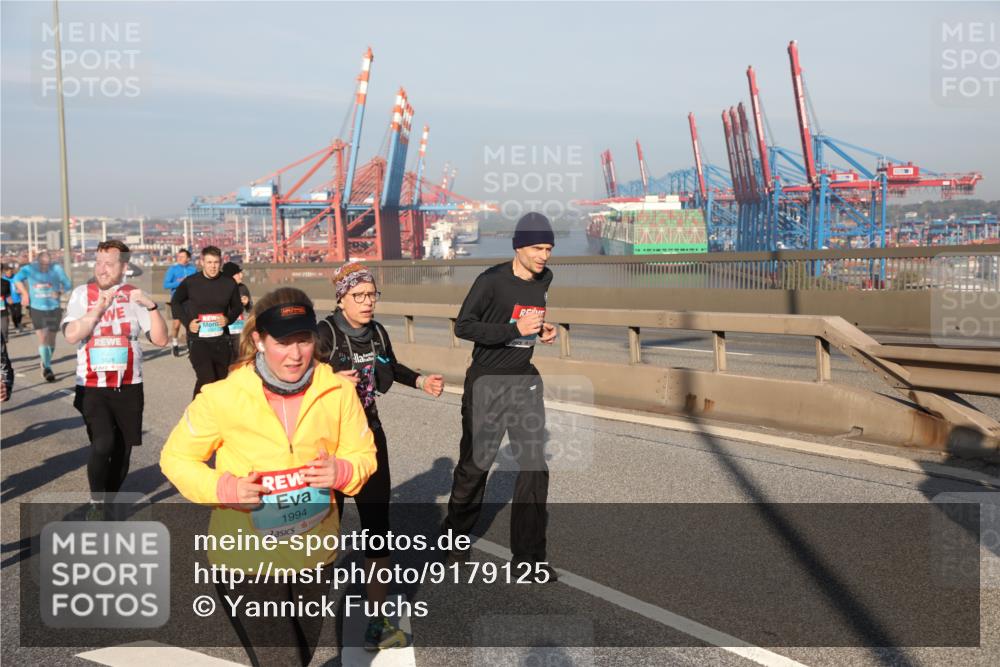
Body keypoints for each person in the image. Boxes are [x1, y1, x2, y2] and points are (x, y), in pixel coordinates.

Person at [160, 287, 377, 667]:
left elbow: (363, 454)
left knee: (303, 656)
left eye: (304, 340)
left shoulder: (338, 392)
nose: (295, 355)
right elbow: (176, 458)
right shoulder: (221, 397)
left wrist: (341, 470)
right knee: (284, 663)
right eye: (282, 342)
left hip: (315, 551)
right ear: (259, 340)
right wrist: (223, 487)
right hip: (245, 557)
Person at [317, 263, 445, 651]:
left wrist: (420, 380)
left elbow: (390, 365)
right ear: (341, 297)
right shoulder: (322, 334)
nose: (368, 302)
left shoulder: (377, 333)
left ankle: (380, 620)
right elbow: (294, 377)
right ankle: (301, 612)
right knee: (322, 534)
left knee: (377, 532)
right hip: (327, 446)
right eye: (360, 296)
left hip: (369, 439)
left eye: (372, 295)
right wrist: (330, 380)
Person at [441, 212, 559, 581]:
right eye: (538, 248)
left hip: (524, 381)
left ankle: (528, 559)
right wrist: (512, 328)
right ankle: (454, 536)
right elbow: (465, 326)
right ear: (519, 246)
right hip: (488, 382)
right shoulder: (490, 281)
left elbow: (528, 319)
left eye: (549, 248)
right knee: (476, 467)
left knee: (535, 469)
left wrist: (541, 330)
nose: (544, 256)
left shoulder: (546, 279)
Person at [62, 240, 168, 520]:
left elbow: (160, 339)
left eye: (109, 263)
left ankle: (107, 502)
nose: (102, 269)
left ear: (124, 266)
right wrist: (97, 310)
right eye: (98, 262)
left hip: (129, 383)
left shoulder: (134, 295)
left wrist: (153, 306)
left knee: (122, 451)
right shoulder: (82, 294)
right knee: (103, 443)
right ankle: (97, 502)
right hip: (92, 384)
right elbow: (72, 335)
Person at [170, 246, 242, 397]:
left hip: (221, 341)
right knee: (206, 379)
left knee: (220, 381)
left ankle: (212, 415)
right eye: (209, 262)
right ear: (202, 262)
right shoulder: (191, 282)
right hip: (198, 341)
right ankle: (197, 413)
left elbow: (237, 307)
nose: (213, 266)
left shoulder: (229, 283)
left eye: (216, 262)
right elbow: (176, 302)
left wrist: (228, 319)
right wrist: (188, 322)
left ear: (221, 262)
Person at [12, 250, 72, 382]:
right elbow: (16, 279)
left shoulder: (56, 269)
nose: (45, 267)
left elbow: (68, 284)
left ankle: (45, 361)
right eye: (42, 265)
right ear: (37, 262)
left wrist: (59, 291)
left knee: (51, 340)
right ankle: (47, 367)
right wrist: (25, 293)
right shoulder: (29, 269)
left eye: (47, 264)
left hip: (54, 308)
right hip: (37, 308)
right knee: (43, 337)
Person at [163, 249, 197, 356]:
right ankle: (174, 344)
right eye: (178, 256)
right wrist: (179, 282)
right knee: (176, 324)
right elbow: (166, 285)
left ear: (188, 258)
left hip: (190, 299)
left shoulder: (193, 269)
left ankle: (190, 346)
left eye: (182, 257)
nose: (180, 258)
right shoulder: (172, 269)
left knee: (190, 324)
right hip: (177, 300)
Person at [222, 261, 253, 360]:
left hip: (241, 331)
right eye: (238, 273)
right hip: (227, 332)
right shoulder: (221, 288)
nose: (241, 275)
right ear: (231, 276)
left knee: (241, 359)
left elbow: (250, 309)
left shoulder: (243, 288)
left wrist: (247, 303)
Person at [2, 264, 24, 334]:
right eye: (7, 273)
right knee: (13, 314)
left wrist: (20, 290)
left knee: (19, 313)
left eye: (10, 272)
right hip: (8, 300)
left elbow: (22, 286)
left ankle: (19, 323)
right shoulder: (3, 279)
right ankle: (16, 326)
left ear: (12, 271)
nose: (9, 274)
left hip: (18, 298)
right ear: (5, 272)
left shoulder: (16, 277)